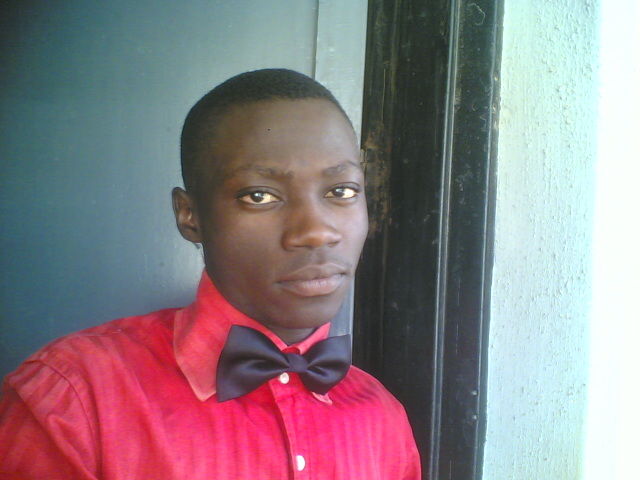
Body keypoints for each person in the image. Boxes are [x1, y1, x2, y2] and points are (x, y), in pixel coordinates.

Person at [0, 69, 421, 479]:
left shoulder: (383, 421)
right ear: (190, 215)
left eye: (342, 191)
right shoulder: (74, 399)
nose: (316, 232)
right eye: (259, 195)